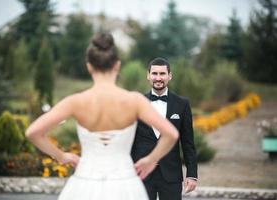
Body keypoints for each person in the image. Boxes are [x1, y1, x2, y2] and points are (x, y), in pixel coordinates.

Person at [25, 33, 179, 200]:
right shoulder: (135, 101)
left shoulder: (75, 101)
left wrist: (62, 156)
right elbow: (171, 134)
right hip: (125, 184)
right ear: (117, 65)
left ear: (89, 66)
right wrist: (151, 160)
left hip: (84, 184)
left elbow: (33, 132)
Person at [131, 57, 198, 200]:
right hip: (141, 173)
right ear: (148, 75)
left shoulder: (182, 104)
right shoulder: (137, 103)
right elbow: (130, 140)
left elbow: (188, 143)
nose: (158, 78)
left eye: (162, 74)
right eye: (154, 74)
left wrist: (192, 174)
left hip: (171, 175)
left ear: (170, 76)